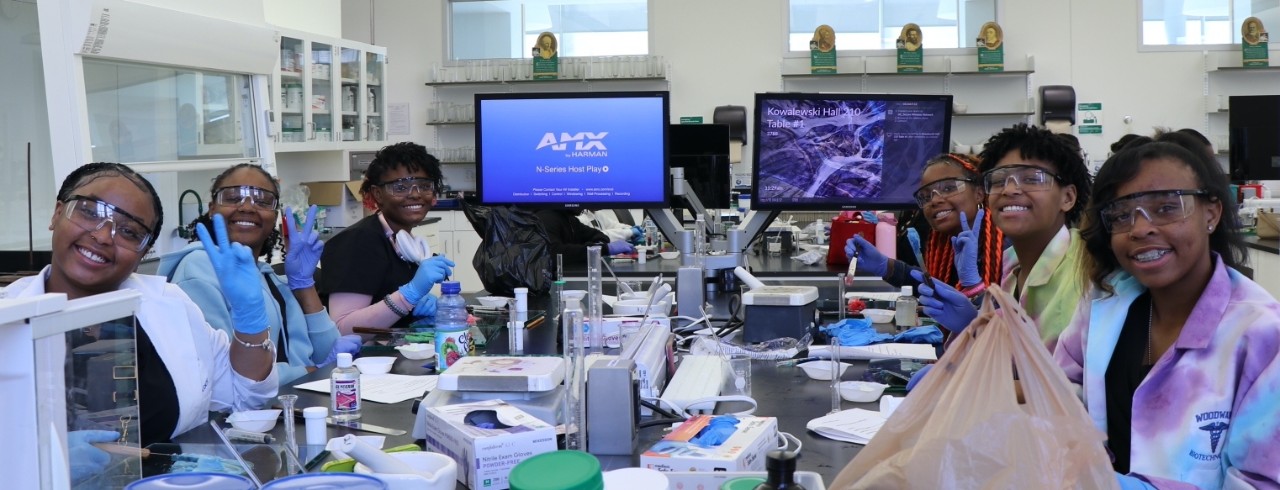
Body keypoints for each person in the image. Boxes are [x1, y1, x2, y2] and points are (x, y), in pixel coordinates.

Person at [1, 163, 276, 473]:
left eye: (129, 231)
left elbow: (243, 396)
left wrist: (250, 319)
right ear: (57, 214)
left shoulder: (169, 304)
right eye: (90, 212)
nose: (104, 235)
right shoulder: (6, 322)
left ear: (143, 253)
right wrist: (36, 462)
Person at [1055, 137, 1280, 489]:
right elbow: (1058, 397)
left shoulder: (1264, 335)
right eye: (1122, 215)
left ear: (1212, 212)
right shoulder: (1105, 305)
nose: (1140, 228)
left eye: (1166, 208)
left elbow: (1263, 482)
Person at [158, 164, 359, 384]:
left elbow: (329, 355)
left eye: (262, 201)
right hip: (247, 416)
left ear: (274, 215)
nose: (247, 207)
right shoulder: (197, 270)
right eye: (233, 198)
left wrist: (303, 284)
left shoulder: (269, 277)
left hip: (300, 404)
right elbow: (225, 373)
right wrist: (309, 372)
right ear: (212, 209)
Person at [913, 123, 1092, 351]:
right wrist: (973, 322)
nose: (1009, 190)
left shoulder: (1085, 272)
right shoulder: (1011, 264)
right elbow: (1008, 355)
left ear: (1067, 197)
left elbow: (1066, 383)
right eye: (998, 181)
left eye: (1030, 179)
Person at [319, 142, 455, 333]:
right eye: (400, 187)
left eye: (424, 186)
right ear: (377, 194)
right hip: (367, 361)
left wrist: (426, 310)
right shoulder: (358, 242)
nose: (415, 194)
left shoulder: (404, 242)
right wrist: (409, 296)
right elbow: (342, 329)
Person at [846, 153, 1004, 295]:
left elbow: (1012, 321)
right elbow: (935, 288)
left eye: (949, 188)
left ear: (979, 193)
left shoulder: (1006, 248)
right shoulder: (945, 244)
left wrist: (974, 288)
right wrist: (885, 266)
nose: (934, 200)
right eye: (926, 196)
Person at [536, 208, 635, 265]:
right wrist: (603, 249)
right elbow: (555, 253)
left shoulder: (570, 219)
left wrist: (599, 247)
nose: (584, 208)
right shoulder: (547, 218)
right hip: (553, 282)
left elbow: (597, 235)